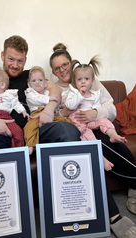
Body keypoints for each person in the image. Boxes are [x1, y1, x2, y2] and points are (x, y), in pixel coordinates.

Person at [49, 43, 136, 238]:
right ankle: (120, 207)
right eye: (57, 68)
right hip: (77, 131)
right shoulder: (54, 87)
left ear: (71, 63)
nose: (62, 70)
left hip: (97, 123)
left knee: (114, 142)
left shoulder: (88, 79)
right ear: (53, 72)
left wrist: (96, 113)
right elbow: (53, 118)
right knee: (94, 146)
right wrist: (65, 111)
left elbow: (111, 107)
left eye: (65, 64)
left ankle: (134, 184)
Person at [0, 35, 80, 152]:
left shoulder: (31, 77)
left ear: (25, 60)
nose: (15, 65)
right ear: (3, 56)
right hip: (0, 134)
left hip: (35, 132)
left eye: (20, 61)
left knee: (69, 130)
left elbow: (55, 88)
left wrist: (49, 110)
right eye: (11, 59)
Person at [62, 55, 127, 171]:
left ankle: (113, 135)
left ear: (92, 81)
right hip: (79, 124)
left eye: (86, 79)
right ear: (74, 81)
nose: (83, 82)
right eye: (79, 80)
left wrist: (94, 118)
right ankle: (101, 158)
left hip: (92, 122)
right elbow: (70, 105)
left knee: (104, 120)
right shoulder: (72, 93)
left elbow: (97, 107)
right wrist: (79, 94)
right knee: (88, 136)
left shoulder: (94, 93)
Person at [24, 66, 74, 154]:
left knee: (67, 121)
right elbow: (36, 99)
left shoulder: (47, 92)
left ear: (45, 83)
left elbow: (57, 102)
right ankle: (30, 145)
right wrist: (49, 98)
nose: (37, 83)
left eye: (40, 80)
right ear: (29, 84)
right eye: (33, 81)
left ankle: (77, 129)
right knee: (30, 127)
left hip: (52, 114)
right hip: (36, 114)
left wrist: (61, 105)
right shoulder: (30, 93)